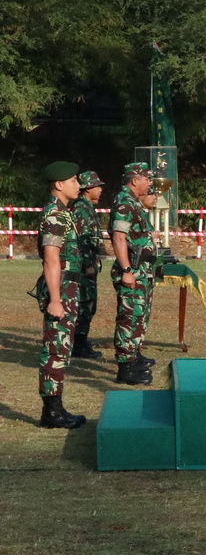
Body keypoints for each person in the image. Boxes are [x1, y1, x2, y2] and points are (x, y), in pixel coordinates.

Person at [33, 162, 88, 429]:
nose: (79, 185)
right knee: (55, 350)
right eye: (74, 180)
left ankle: (56, 409)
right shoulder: (54, 215)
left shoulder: (63, 214)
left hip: (67, 289)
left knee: (61, 348)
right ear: (59, 185)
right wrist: (55, 300)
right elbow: (51, 260)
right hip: (61, 290)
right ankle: (51, 413)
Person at [110, 162, 157, 385]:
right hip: (133, 270)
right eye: (147, 179)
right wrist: (127, 269)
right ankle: (125, 368)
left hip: (142, 270)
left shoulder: (133, 203)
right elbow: (119, 237)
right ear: (135, 180)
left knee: (139, 316)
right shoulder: (124, 203)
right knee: (129, 317)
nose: (149, 184)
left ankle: (134, 356)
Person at [70, 170, 106, 359]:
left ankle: (81, 342)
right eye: (97, 187)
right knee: (85, 304)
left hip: (89, 264)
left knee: (89, 304)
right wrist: (87, 264)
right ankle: (78, 345)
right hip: (84, 268)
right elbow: (82, 239)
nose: (100, 190)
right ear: (87, 189)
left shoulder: (87, 207)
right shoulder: (82, 208)